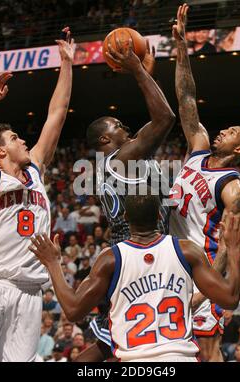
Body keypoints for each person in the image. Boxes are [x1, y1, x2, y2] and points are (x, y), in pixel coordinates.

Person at [29, 191, 240, 362]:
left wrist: (52, 263)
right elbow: (230, 299)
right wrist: (233, 249)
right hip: (180, 356)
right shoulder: (186, 250)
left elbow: (73, 310)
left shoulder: (110, 259)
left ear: (125, 217)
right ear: (158, 215)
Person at [0, 28, 74, 362]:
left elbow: (57, 114)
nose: (22, 141)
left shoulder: (35, 169)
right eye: (15, 137)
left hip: (31, 290)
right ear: (0, 152)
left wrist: (67, 63)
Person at [170, 4, 240, 362]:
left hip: (202, 268)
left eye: (231, 132)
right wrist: (181, 47)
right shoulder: (198, 148)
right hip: (171, 259)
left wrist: (204, 292)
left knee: (207, 349)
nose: (222, 130)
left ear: (239, 149)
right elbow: (186, 98)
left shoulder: (233, 188)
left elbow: (227, 248)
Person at [80, 39, 175, 360]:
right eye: (118, 126)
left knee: (116, 340)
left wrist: (144, 68)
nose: (127, 126)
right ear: (106, 139)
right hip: (137, 253)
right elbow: (164, 118)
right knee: (120, 342)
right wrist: (136, 69)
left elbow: (153, 110)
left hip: (129, 251)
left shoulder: (112, 163)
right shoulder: (121, 158)